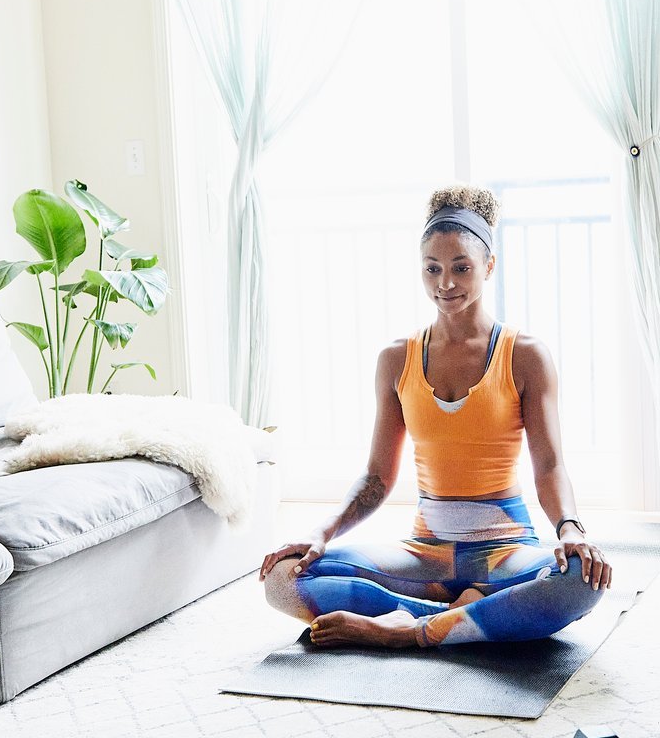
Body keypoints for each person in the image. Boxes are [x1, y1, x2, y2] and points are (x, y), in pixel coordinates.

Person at [260, 185, 612, 648]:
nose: (446, 283)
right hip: (425, 555)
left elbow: (549, 466)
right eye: (433, 269)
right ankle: (464, 617)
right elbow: (376, 478)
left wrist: (570, 529)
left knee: (581, 582)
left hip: (506, 551)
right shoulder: (395, 359)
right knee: (283, 578)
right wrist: (318, 533)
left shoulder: (525, 355)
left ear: (489, 265)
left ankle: (407, 630)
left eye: (461, 268)